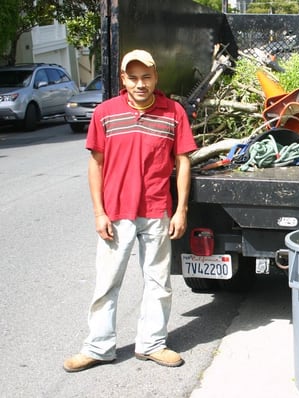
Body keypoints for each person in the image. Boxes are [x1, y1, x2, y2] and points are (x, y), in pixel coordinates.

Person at [64, 49, 198, 372]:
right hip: (116, 212)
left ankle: (152, 344)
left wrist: (180, 210)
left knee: (158, 281)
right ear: (123, 79)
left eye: (146, 77)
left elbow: (183, 163)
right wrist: (99, 212)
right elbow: (95, 165)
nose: (140, 84)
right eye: (133, 78)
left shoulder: (173, 113)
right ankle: (99, 346)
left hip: (156, 211)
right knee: (107, 282)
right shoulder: (106, 113)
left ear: (155, 78)